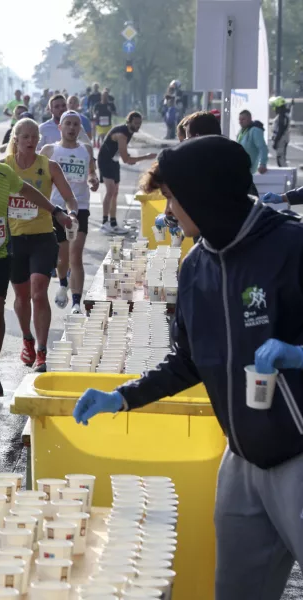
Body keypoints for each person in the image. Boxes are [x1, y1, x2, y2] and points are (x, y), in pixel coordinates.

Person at [73, 135, 303, 600]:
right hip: (241, 461)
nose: (169, 211)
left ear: (206, 194)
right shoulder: (196, 267)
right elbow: (189, 361)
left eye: (174, 199)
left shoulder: (290, 247)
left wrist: (299, 353)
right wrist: (123, 396)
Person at [2, 121, 78, 373]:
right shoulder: (4, 167)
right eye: (25, 136)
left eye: (34, 136)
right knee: (21, 296)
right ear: (16, 139)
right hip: (14, 239)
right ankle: (27, 338)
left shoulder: (49, 166)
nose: (30, 140)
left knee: (38, 291)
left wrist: (72, 213)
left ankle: (42, 351)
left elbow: (69, 198)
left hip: (43, 237)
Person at [42, 111, 100, 315]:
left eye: (76, 124)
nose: (72, 128)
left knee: (76, 256)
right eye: (68, 124)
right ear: (60, 127)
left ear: (80, 128)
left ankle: (76, 303)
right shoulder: (50, 150)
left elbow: (92, 172)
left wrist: (93, 180)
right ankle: (64, 282)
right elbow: (38, 176)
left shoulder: (85, 150)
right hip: (55, 208)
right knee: (62, 258)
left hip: (80, 208)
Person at [96, 111, 156, 235]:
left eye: (140, 123)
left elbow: (123, 154)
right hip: (105, 160)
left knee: (115, 192)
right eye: (136, 123)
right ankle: (104, 223)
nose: (138, 125)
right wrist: (146, 157)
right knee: (110, 191)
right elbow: (126, 160)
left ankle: (113, 224)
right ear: (129, 122)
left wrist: (129, 157)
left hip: (114, 160)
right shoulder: (122, 134)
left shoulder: (129, 132)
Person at [237, 110, 269, 175]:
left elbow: (262, 148)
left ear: (249, 119)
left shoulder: (255, 131)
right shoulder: (241, 131)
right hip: (241, 169)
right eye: (239, 119)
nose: (240, 122)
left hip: (251, 171)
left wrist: (263, 164)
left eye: (243, 119)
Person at [271, 96, 291, 168]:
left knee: (281, 159)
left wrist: (276, 142)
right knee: (281, 159)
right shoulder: (284, 114)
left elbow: (280, 130)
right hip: (284, 139)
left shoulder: (282, 116)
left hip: (281, 140)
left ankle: (287, 176)